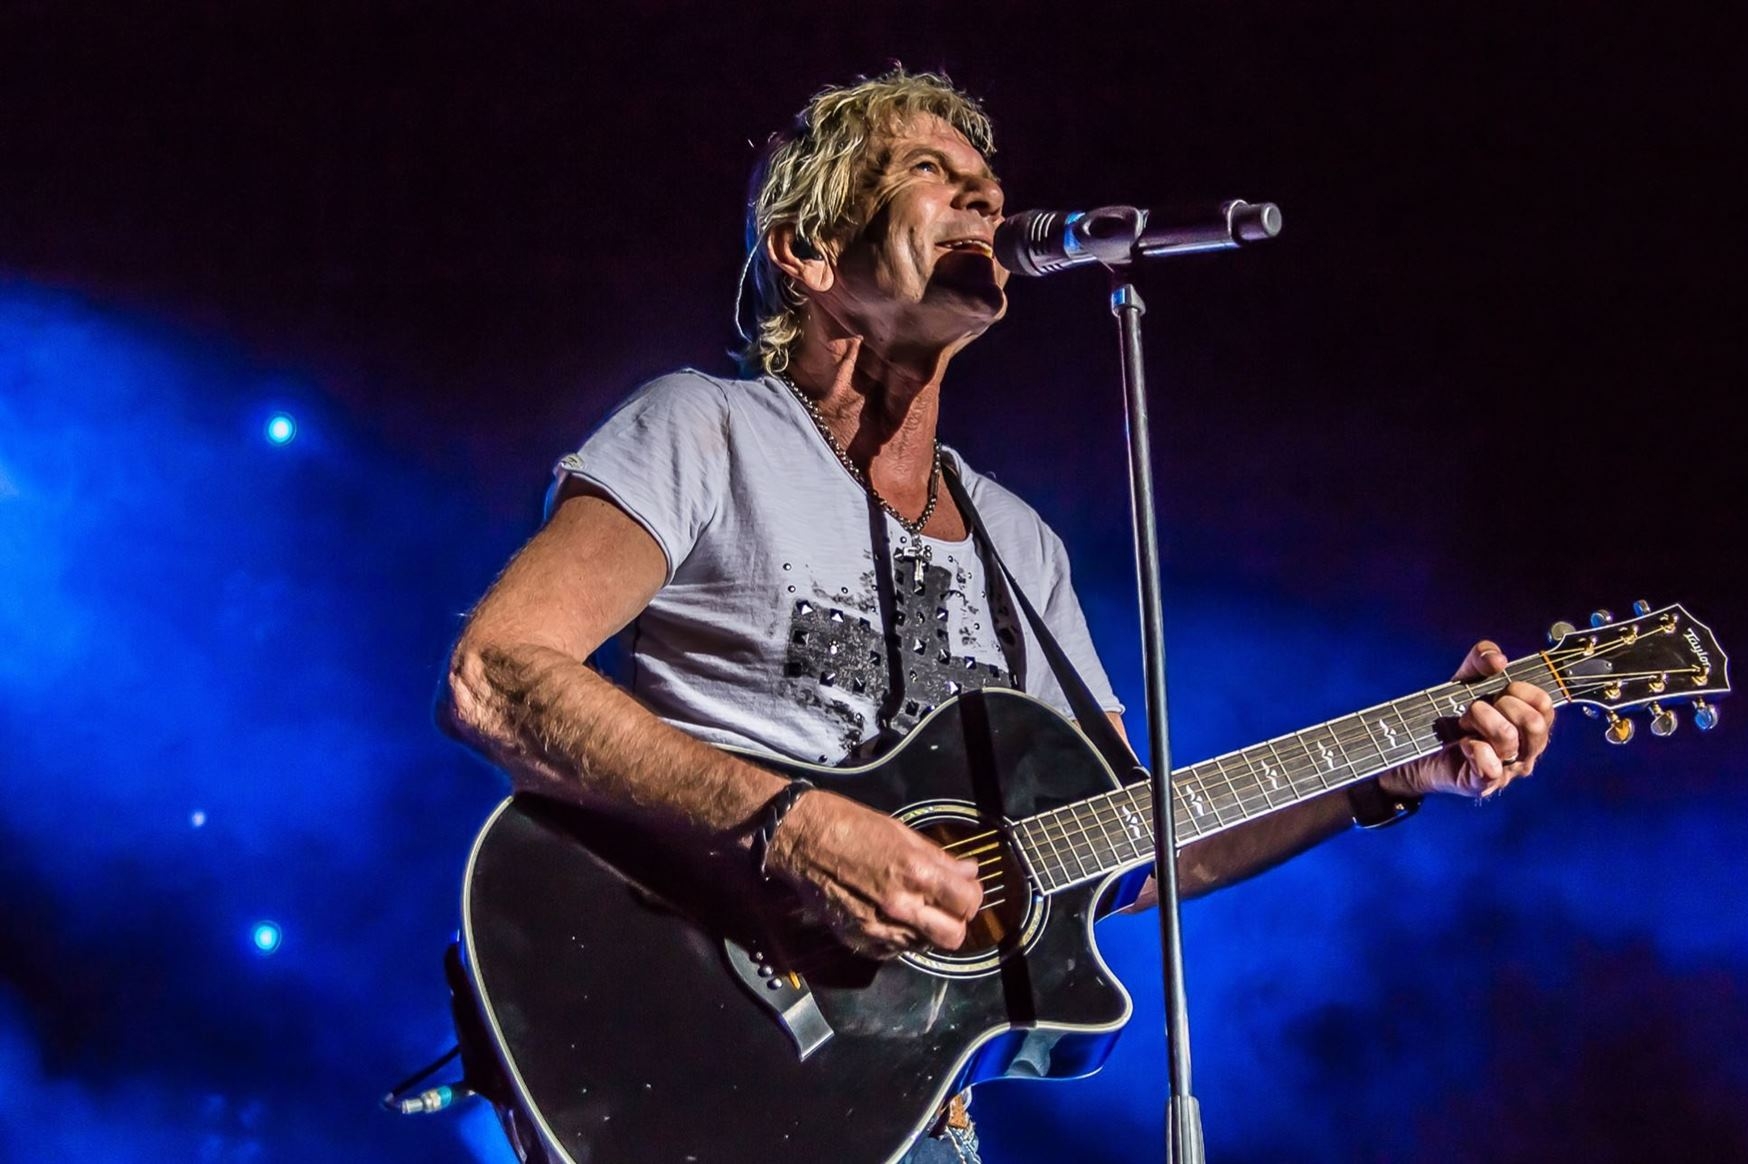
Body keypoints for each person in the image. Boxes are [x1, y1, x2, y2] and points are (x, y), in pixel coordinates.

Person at [436, 67, 1555, 1164]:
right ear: (809, 252)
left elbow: (1133, 845)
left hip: (910, 1124)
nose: (986, 196)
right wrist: (793, 826)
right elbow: (497, 671)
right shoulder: (705, 429)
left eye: (990, 181)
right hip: (696, 1035)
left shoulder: (1020, 544)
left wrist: (1391, 773)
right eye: (933, 171)